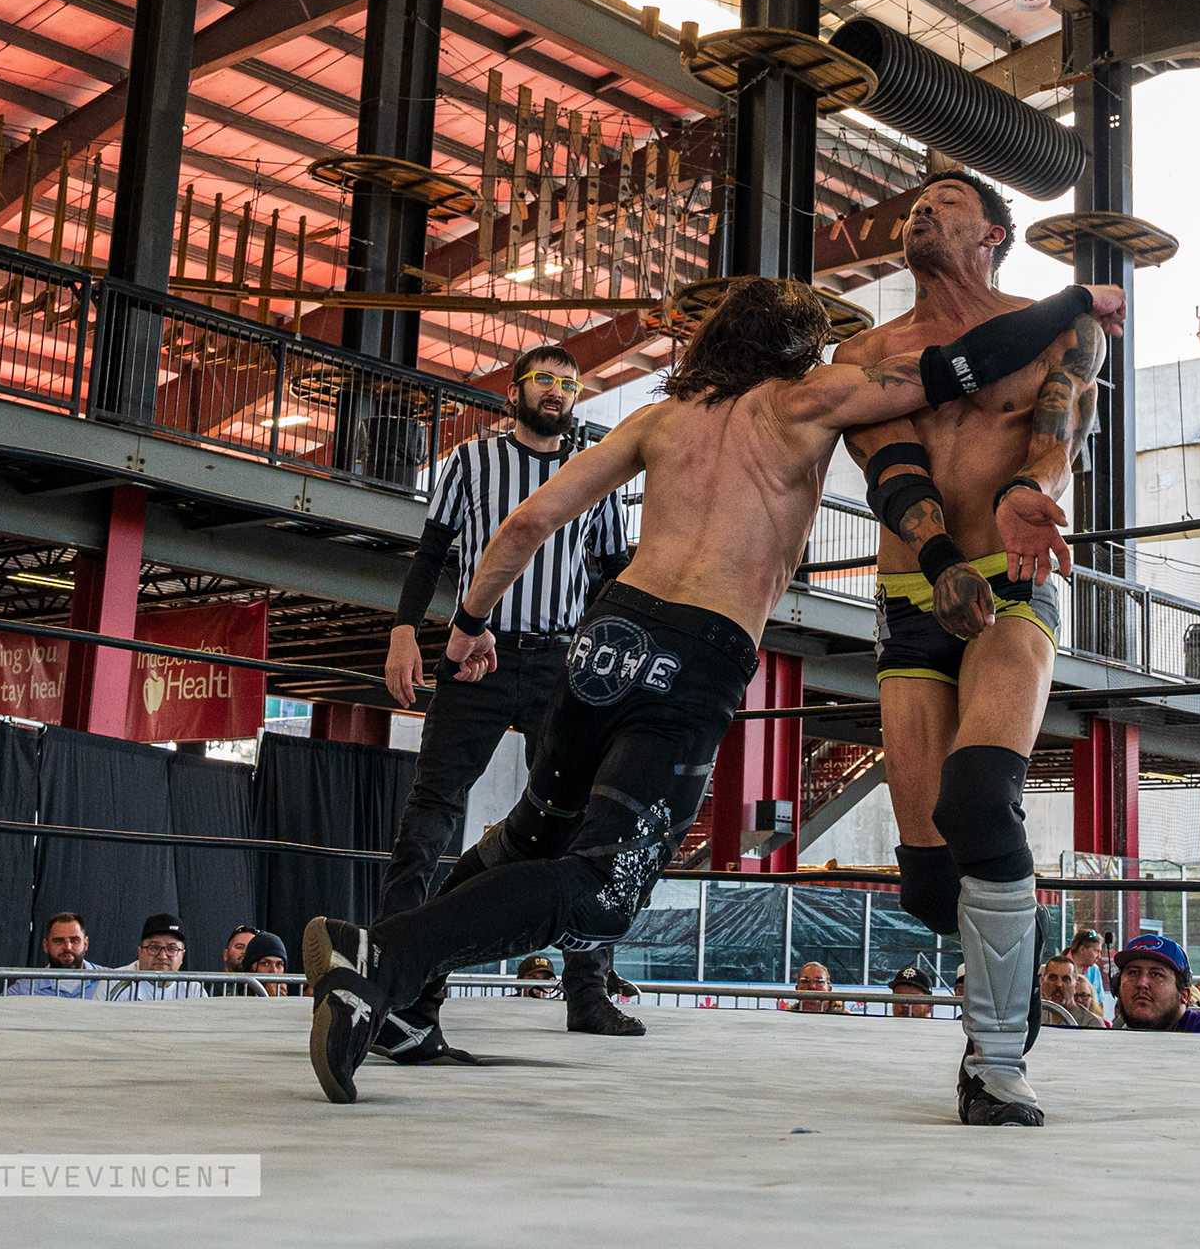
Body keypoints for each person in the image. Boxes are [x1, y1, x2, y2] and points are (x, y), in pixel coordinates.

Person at [299, 277, 1126, 1109]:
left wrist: (469, 623)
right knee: (605, 887)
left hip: (607, 634)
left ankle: (405, 1007)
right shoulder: (808, 399)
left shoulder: (662, 417)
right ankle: (383, 959)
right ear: (798, 349)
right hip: (695, 654)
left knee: (527, 835)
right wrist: (1071, 305)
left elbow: (526, 524)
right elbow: (960, 365)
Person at [836, 173, 1110, 1127]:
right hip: (915, 591)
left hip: (1015, 578)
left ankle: (995, 1063)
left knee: (978, 800)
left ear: (993, 233)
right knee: (927, 882)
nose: (922, 208)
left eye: (947, 200)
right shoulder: (867, 354)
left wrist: (1027, 492)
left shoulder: (1064, 330)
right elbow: (891, 465)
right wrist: (941, 556)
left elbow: (1059, 427)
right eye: (917, 201)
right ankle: (1013, 957)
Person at [375, 344, 639, 1065]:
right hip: (478, 657)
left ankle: (588, 990)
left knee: (583, 821)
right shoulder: (470, 462)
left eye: (569, 383)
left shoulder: (595, 473)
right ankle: (387, 978)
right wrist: (404, 631)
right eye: (545, 380)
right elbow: (431, 552)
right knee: (430, 812)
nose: (558, 392)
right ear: (515, 391)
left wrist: (617, 659)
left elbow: (614, 571)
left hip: (561, 662)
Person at [1111, 934, 1200, 1034]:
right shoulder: (1111, 1038)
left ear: (1184, 995)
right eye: (1133, 972)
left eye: (1156, 974)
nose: (1142, 983)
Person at [101, 913, 208, 1001]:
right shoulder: (113, 983)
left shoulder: (194, 990)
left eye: (172, 948)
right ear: (140, 952)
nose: (162, 956)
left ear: (182, 956)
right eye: (154, 947)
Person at [5, 911, 105, 998]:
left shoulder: (109, 982)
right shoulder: (24, 989)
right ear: (46, 945)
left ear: (85, 944)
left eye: (74, 940)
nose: (67, 947)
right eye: (59, 941)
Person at [1039, 957, 1103, 1029]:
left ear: (1076, 986)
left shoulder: (1091, 1023)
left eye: (1066, 979)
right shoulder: (1034, 1016)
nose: (1059, 984)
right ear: (1043, 983)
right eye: (1053, 977)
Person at [1064, 929, 1107, 1017]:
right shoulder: (1060, 967)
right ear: (1082, 949)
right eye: (1096, 951)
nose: (1099, 956)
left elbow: (1099, 1003)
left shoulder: (1094, 970)